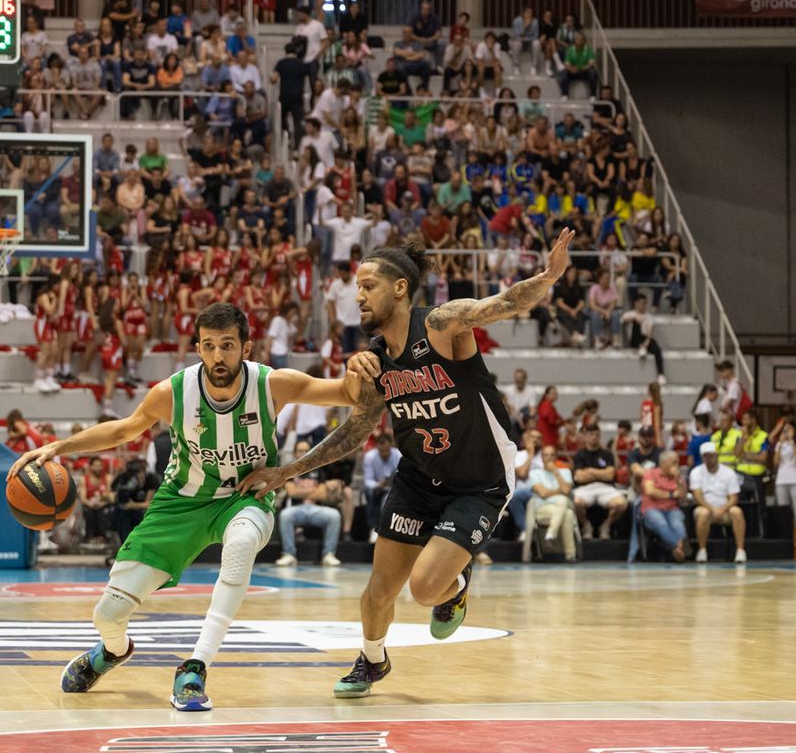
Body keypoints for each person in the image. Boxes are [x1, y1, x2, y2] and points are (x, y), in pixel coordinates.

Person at [239, 231, 571, 697]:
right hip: (418, 478)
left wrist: (548, 277)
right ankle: (372, 660)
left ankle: (456, 587)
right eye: (357, 287)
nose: (358, 296)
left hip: (479, 482)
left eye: (368, 286)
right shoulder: (374, 364)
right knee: (379, 590)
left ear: (399, 288)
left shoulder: (440, 325)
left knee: (425, 589)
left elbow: (503, 303)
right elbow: (353, 433)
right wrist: (284, 473)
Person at [9, 303, 364, 712]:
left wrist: (360, 367)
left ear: (246, 348)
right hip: (180, 503)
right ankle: (113, 650)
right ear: (197, 348)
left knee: (241, 545)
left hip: (244, 496)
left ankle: (195, 667)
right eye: (209, 346)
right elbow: (124, 430)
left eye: (227, 345)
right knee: (106, 615)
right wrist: (60, 446)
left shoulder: (272, 384)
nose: (217, 355)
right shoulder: (173, 392)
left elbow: (347, 393)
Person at [274, 441, 345, 568]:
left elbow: (322, 494)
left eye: (307, 450)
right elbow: (291, 492)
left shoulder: (318, 470)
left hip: (316, 509)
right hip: (297, 509)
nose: (304, 453)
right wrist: (313, 491)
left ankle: (328, 554)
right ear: (295, 453)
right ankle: (289, 554)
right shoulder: (289, 471)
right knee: (285, 515)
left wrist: (300, 492)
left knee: (334, 515)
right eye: (300, 450)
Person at [689, 441, 745, 564]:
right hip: (705, 508)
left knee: (737, 512)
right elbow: (698, 496)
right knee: (703, 513)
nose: (709, 459)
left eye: (711, 455)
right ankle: (702, 550)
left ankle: (740, 550)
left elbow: (734, 498)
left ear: (716, 455)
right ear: (702, 457)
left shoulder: (729, 473)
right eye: (706, 456)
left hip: (725, 509)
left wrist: (722, 509)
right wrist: (712, 509)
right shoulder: (696, 472)